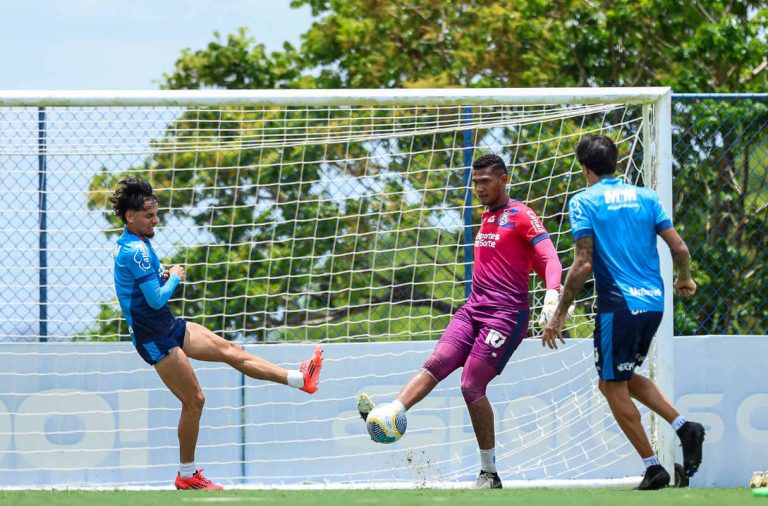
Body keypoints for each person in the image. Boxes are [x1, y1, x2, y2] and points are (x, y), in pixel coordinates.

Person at [357, 154, 563, 489]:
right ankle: (391, 413)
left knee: (470, 384)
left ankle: (489, 473)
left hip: (506, 316)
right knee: (438, 362)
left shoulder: (521, 215)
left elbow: (549, 257)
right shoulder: (486, 217)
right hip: (473, 310)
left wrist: (552, 295)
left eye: (486, 181)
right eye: (476, 181)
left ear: (504, 180)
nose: (480, 188)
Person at [111, 177, 323, 491]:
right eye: (149, 216)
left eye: (156, 214)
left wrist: (162, 274)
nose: (156, 220)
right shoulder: (135, 251)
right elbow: (156, 297)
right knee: (194, 400)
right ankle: (187, 476)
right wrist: (175, 279)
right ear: (130, 216)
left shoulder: (135, 242)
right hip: (153, 337)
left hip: (167, 325)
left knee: (230, 350)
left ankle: (299, 379)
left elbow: (144, 288)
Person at [542, 135, 705, 490]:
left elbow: (583, 264)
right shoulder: (647, 197)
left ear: (585, 168)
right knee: (623, 377)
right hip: (654, 304)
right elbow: (678, 246)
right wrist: (685, 277)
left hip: (619, 305)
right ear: (614, 162)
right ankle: (685, 428)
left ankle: (653, 468)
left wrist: (559, 314)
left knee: (610, 385)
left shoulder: (584, 201)